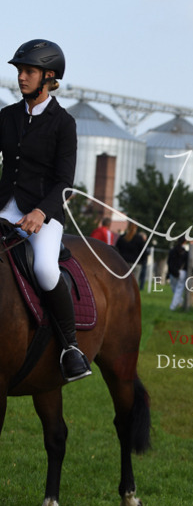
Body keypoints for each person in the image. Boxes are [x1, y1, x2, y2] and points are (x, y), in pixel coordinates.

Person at [0, 39, 91, 382]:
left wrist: (40, 212)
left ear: (48, 76)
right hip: (3, 208)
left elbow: (65, 182)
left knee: (45, 269)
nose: (20, 77)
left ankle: (70, 347)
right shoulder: (6, 117)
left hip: (43, 215)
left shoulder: (63, 123)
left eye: (28, 71)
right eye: (19, 71)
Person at [168, 238, 188, 311]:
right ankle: (173, 307)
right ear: (185, 242)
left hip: (172, 272)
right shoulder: (185, 253)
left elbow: (169, 262)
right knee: (178, 290)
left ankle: (179, 302)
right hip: (181, 272)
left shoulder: (172, 251)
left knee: (174, 289)